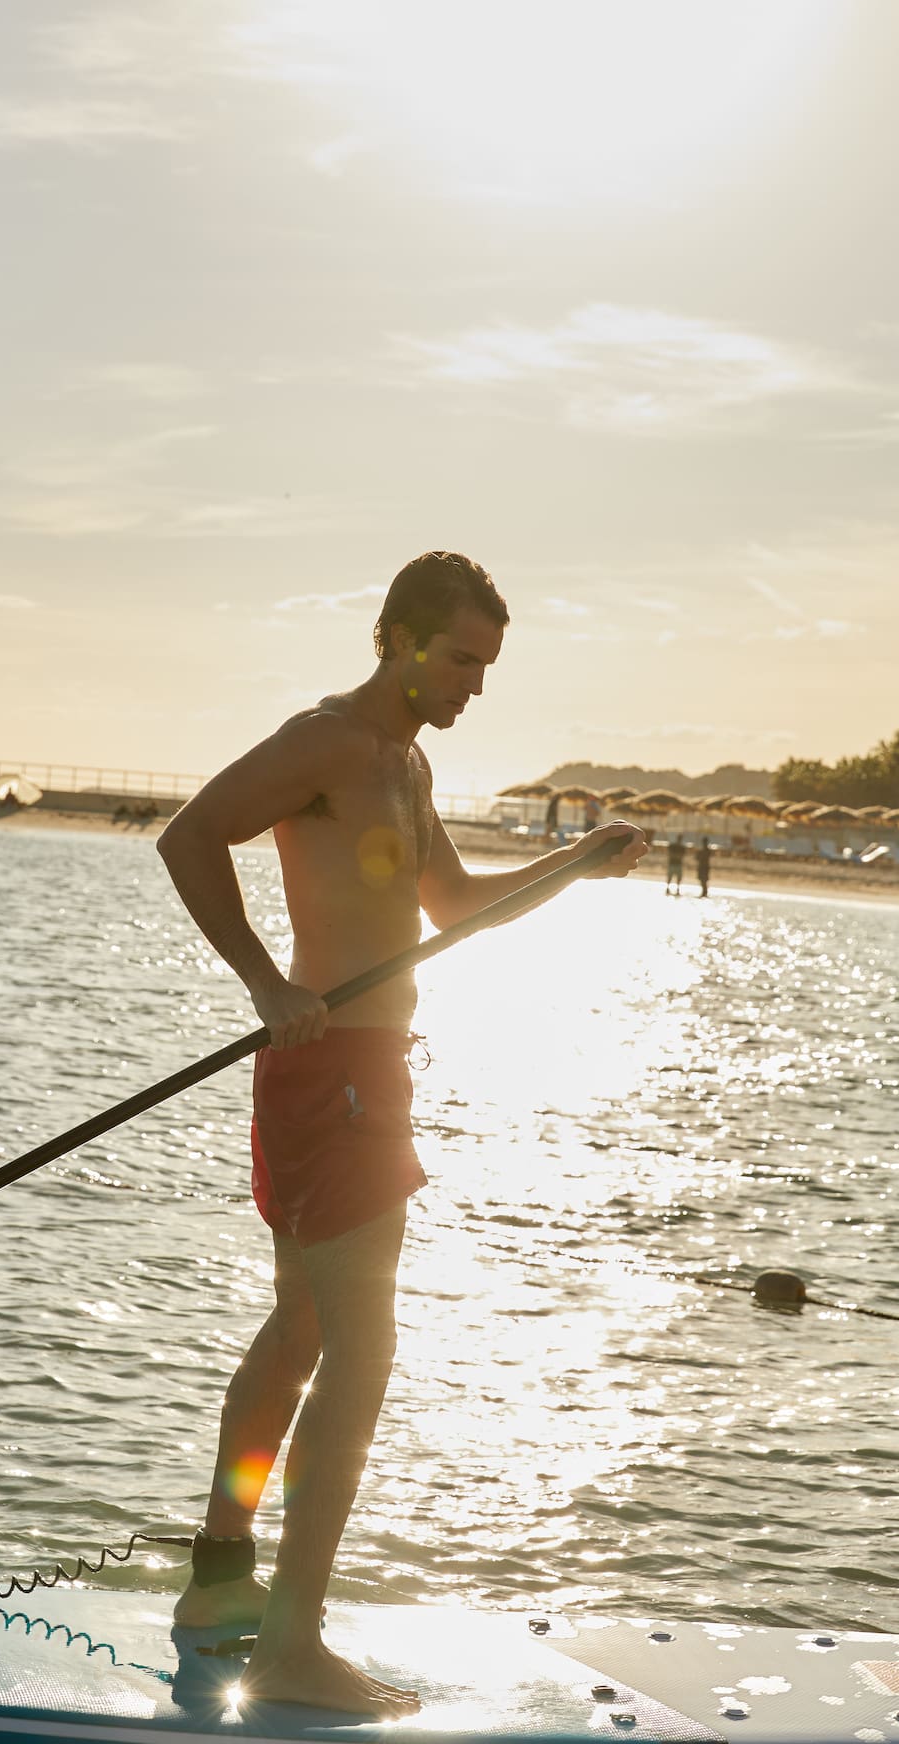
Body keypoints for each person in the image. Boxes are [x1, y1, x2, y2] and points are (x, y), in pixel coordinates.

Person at [156, 551, 643, 1717]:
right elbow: (190, 835)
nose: (473, 682)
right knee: (361, 1354)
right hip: (334, 1078)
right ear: (398, 636)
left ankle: (221, 1584)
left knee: (308, 1326)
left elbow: (458, 909)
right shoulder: (325, 740)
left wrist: (578, 861)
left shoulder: (404, 763)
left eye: (486, 663)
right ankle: (292, 1643)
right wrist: (268, 982)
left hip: (366, 1072)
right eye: (460, 656)